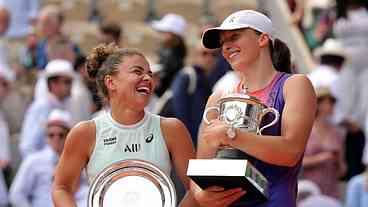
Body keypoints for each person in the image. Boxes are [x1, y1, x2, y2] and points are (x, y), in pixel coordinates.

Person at [192, 10, 317, 207]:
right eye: (223, 43)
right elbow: (202, 166)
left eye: (234, 37)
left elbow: (291, 152)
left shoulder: (295, 85)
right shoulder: (217, 98)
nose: (226, 47)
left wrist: (230, 135)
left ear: (262, 39)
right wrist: (200, 194)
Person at [52, 44, 198, 206]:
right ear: (111, 82)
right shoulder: (85, 132)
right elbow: (61, 188)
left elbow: (196, 189)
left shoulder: (172, 129)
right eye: (137, 72)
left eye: (149, 74)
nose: (148, 78)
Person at [9, 109, 88, 207]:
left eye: (61, 135)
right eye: (51, 135)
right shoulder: (33, 161)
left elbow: (85, 190)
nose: (56, 139)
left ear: (69, 136)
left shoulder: (79, 160)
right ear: (46, 137)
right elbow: (16, 194)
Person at [302, 86, 346, 198]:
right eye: (328, 102)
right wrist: (321, 158)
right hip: (309, 189)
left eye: (332, 102)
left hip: (331, 190)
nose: (331, 106)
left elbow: (342, 170)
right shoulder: (306, 129)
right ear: (318, 104)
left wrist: (339, 162)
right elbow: (298, 161)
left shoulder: (336, 132)